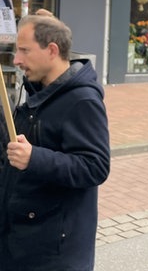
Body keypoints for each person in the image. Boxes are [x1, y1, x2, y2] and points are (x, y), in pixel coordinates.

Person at [0, 14, 110, 270]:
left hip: (53, 254)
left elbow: (95, 167)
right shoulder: (36, 92)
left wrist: (34, 158)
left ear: (51, 50)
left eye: (24, 50)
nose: (17, 60)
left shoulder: (82, 101)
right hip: (20, 242)